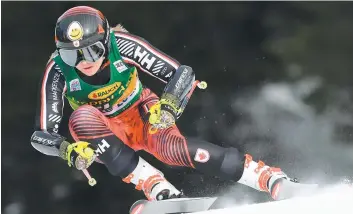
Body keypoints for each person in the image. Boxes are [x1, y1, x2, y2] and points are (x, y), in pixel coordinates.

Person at [31, 6, 299, 202]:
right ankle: (155, 186)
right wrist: (67, 150)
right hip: (102, 131)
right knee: (81, 118)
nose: (83, 62)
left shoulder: (122, 46)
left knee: (173, 150)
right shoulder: (57, 70)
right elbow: (42, 134)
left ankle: (265, 176)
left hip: (141, 112)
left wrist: (169, 105)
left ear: (106, 41)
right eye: (70, 55)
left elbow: (181, 73)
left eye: (92, 51)